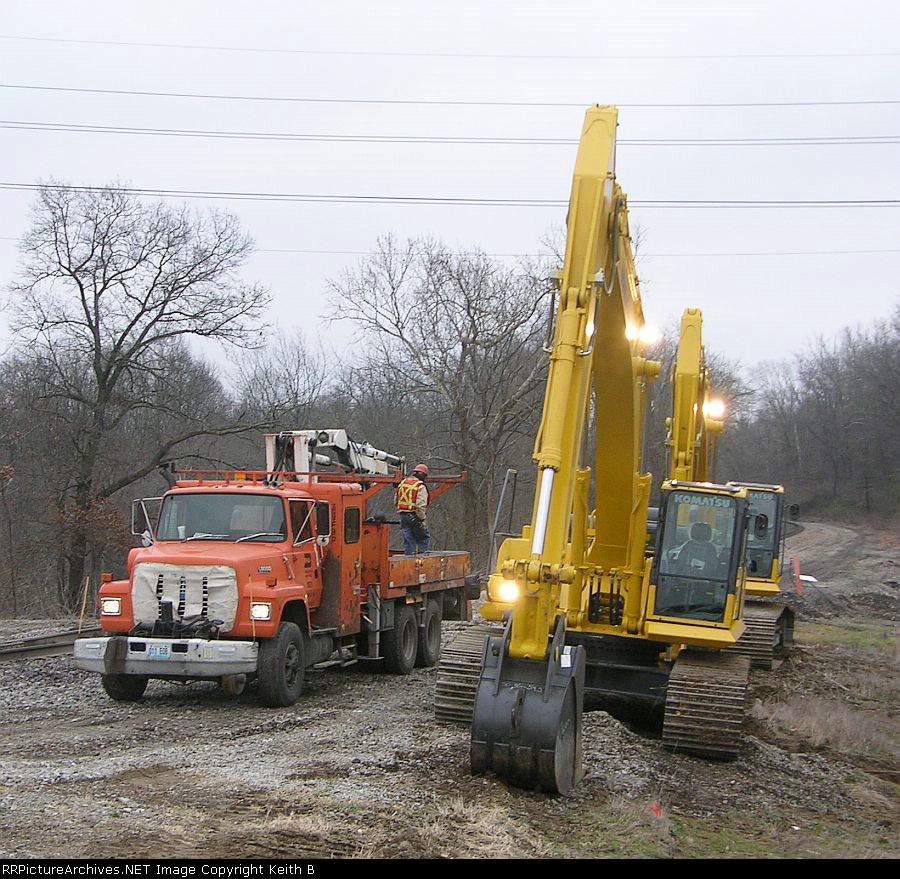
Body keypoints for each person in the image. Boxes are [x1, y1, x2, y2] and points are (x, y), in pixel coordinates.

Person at [396, 464, 430, 555]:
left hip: (403, 516)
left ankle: (409, 557)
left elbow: (396, 500)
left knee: (408, 539)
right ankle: (422, 558)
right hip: (414, 516)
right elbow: (420, 505)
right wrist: (421, 518)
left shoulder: (402, 484)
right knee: (424, 537)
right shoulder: (420, 486)